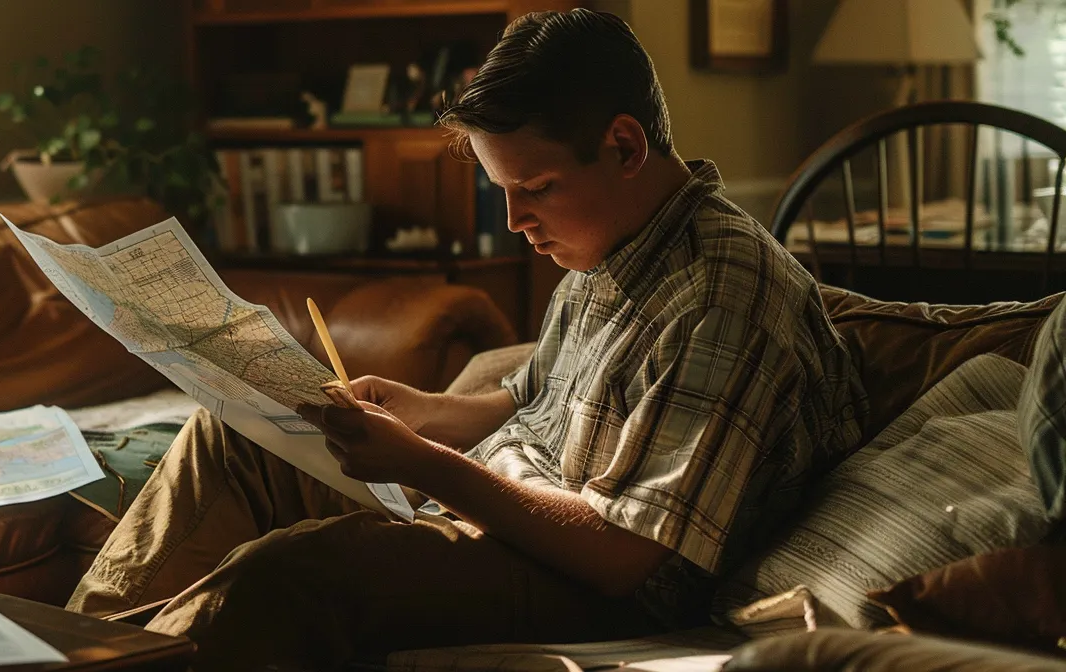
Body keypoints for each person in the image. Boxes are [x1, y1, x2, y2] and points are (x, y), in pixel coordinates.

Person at [67, 8, 869, 670]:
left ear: (626, 147)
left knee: (295, 571)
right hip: (509, 503)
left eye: (536, 189)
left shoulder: (721, 296)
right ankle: (72, 649)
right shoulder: (613, 246)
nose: (518, 221)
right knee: (231, 437)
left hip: (583, 576)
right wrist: (420, 412)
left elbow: (631, 557)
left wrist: (419, 464)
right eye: (505, 191)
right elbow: (530, 399)